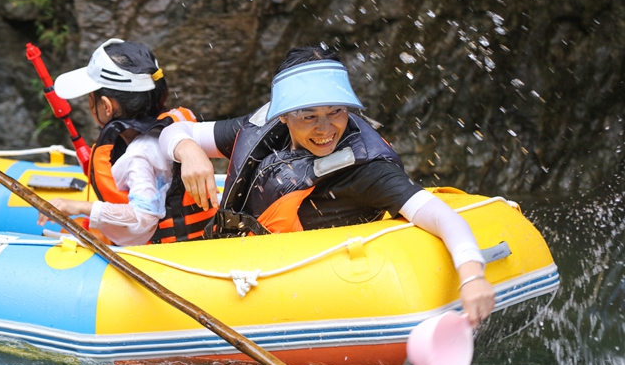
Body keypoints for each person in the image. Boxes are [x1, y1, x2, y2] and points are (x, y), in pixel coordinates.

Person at [159, 46, 495, 326]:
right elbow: (172, 132)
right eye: (308, 116)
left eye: (336, 112)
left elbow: (440, 215)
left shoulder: (366, 169)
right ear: (284, 116)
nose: (325, 129)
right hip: (228, 261)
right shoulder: (263, 128)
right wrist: (189, 152)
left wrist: (472, 276)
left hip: (294, 289)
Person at [37, 38, 218, 246]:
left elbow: (144, 216)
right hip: (205, 238)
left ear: (106, 106)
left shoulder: (138, 155)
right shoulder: (180, 122)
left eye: (91, 98)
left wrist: (78, 207)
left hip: (170, 254)